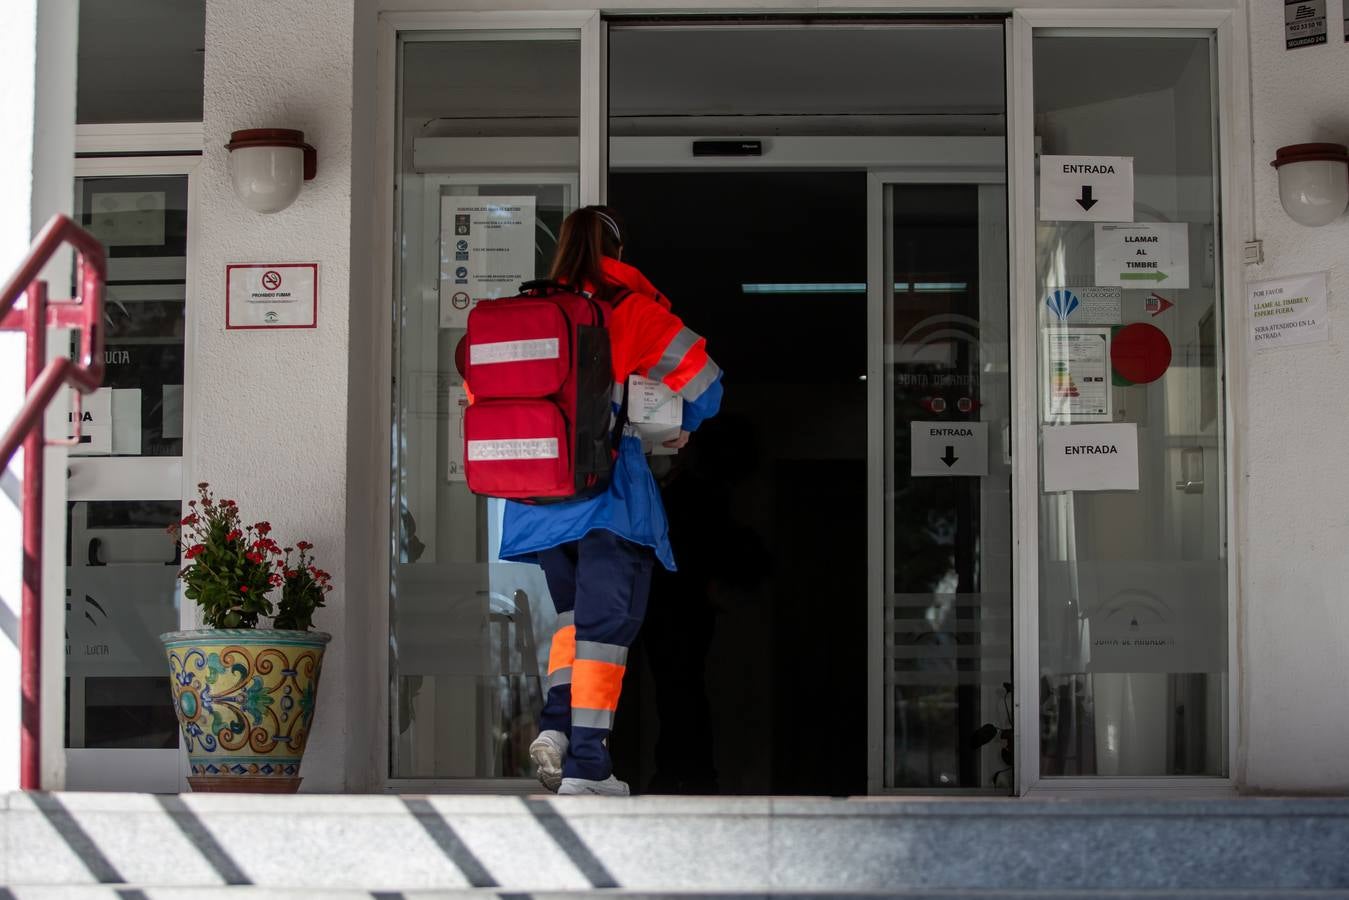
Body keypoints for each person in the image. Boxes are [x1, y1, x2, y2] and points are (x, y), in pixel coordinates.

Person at [498, 205, 723, 796]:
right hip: (607, 497)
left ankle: (557, 730)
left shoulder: (527, 312)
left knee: (578, 623)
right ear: (616, 254)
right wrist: (682, 421)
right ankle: (589, 765)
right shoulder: (630, 310)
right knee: (608, 627)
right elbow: (707, 385)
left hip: (537, 502)